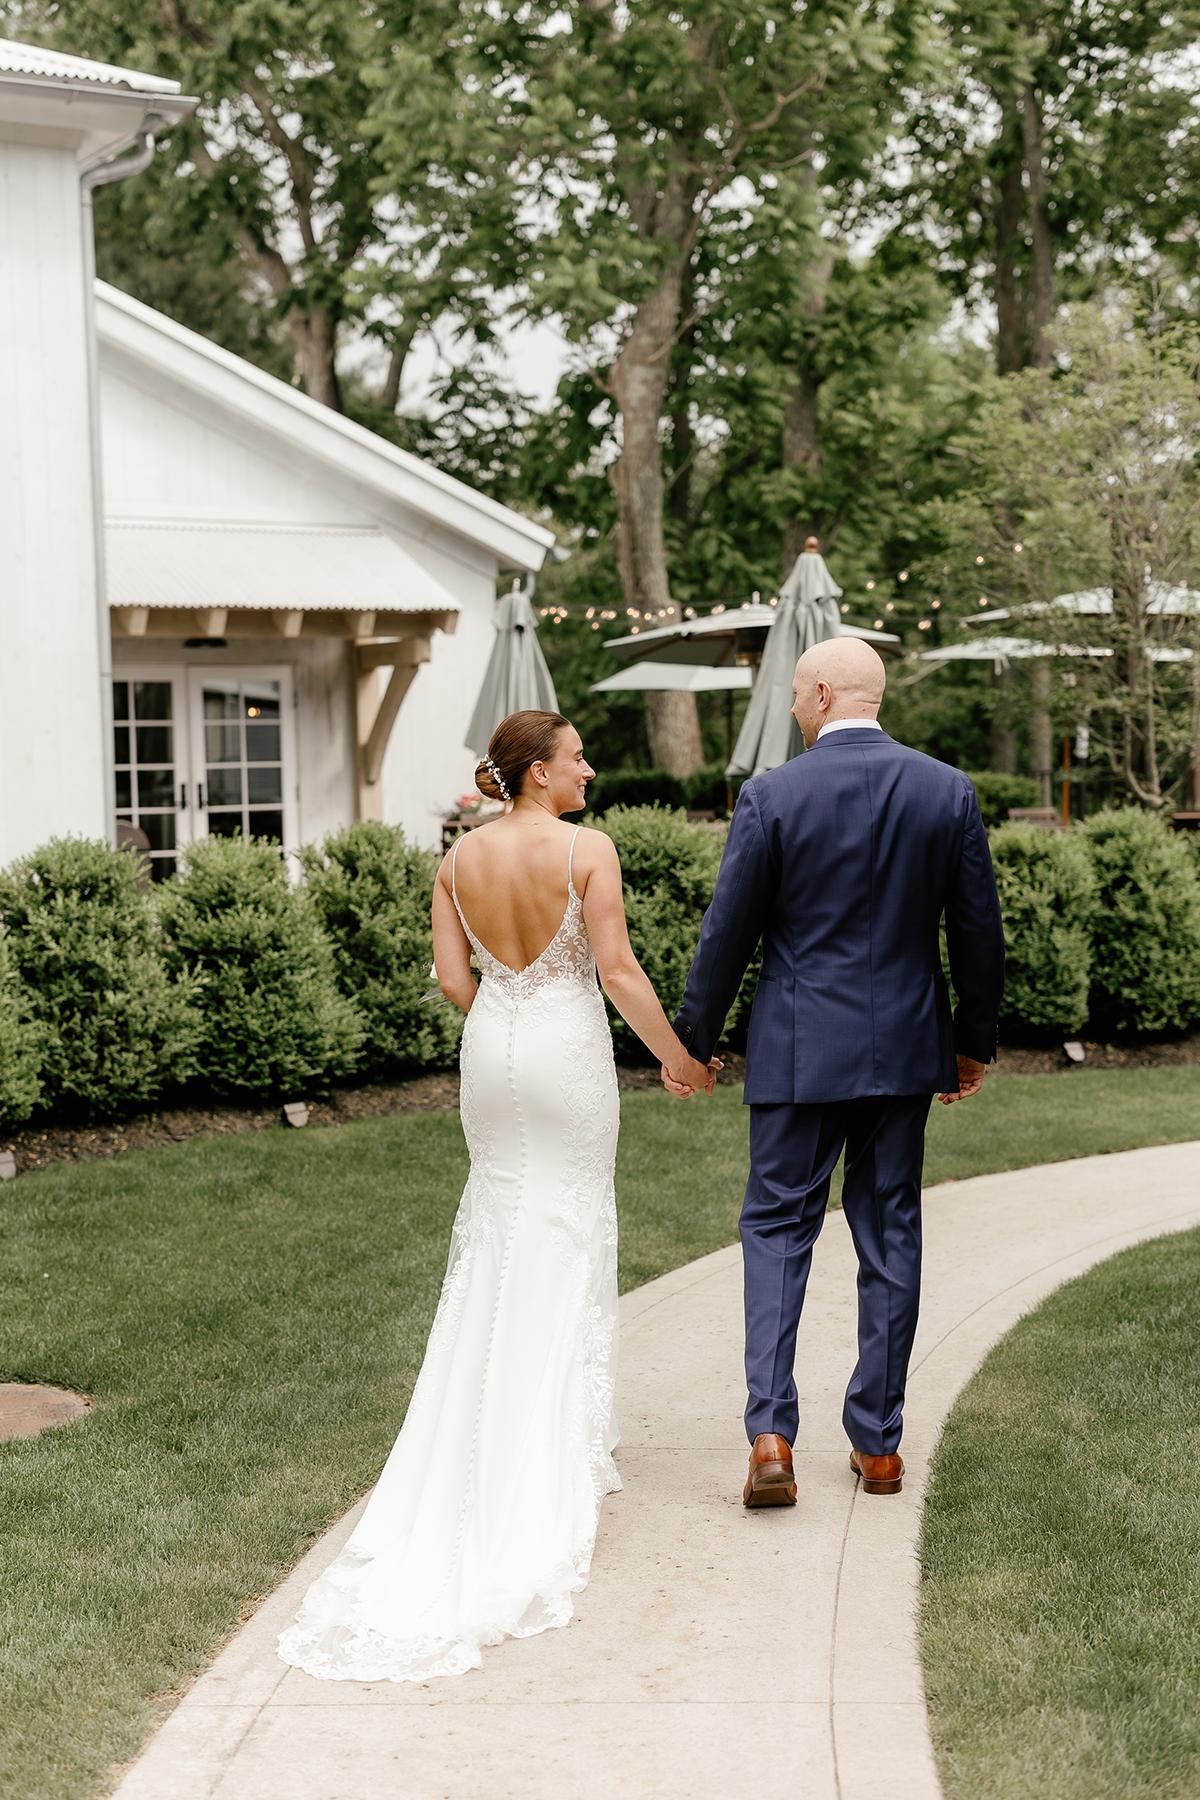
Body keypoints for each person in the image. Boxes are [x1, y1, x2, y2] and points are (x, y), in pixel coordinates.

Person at [276, 708, 715, 1684]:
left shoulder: (456, 861)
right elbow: (616, 970)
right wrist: (680, 1059)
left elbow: (453, 979)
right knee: (562, 1235)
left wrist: (508, 1017)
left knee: (499, 1234)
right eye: (576, 758)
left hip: (495, 1054)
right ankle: (546, 1454)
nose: (589, 769)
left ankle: (489, 1425)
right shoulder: (585, 848)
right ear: (537, 774)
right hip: (565, 1051)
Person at [665, 637, 1005, 1506]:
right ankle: (881, 1445)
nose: (788, 707)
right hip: (903, 1050)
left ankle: (771, 1435)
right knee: (889, 1232)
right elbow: (977, 938)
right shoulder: (947, 789)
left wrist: (693, 1041)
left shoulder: (772, 795)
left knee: (777, 1231)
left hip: (796, 1047)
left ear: (821, 693)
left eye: (792, 695)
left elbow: (727, 930)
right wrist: (971, 1043)